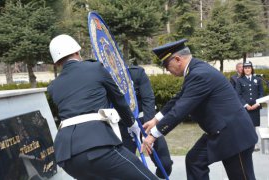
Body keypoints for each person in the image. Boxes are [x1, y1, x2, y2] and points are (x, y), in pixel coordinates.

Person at [141, 39, 258, 180]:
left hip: (234, 135)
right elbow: (179, 98)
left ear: (177, 59)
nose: (167, 69)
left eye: (167, 65)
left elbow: (181, 109)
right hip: (220, 131)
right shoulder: (196, 69)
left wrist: (153, 135)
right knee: (195, 161)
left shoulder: (199, 74)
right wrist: (156, 119)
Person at [47, 34, 158, 180]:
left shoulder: (53, 86)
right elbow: (118, 99)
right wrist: (132, 124)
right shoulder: (95, 68)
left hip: (66, 156)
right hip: (98, 147)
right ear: (77, 52)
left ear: (56, 63)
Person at [119, 65, 173, 179]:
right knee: (124, 169)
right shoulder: (105, 76)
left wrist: (149, 130)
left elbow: (148, 99)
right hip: (124, 127)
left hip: (144, 122)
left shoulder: (136, 73)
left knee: (165, 164)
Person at [236, 61, 264, 151]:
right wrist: (246, 105)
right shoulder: (240, 80)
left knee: (254, 125)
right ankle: (247, 145)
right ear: (243, 70)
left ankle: (254, 144)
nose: (247, 69)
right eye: (245, 68)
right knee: (246, 125)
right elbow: (238, 94)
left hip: (256, 106)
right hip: (245, 107)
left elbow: (261, 93)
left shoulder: (258, 79)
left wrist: (257, 103)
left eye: (249, 68)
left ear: (251, 69)